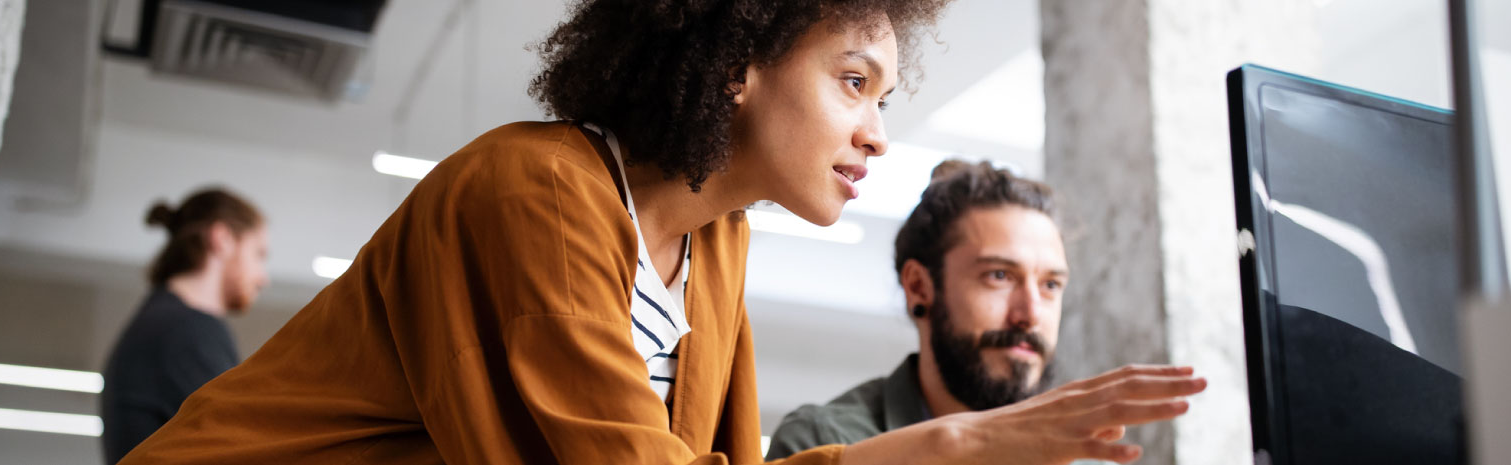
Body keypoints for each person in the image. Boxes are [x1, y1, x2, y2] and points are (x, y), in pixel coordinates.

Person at [119, 2, 1203, 464]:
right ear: (738, 58)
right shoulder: (533, 193)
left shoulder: (716, 243)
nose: (878, 131)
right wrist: (963, 442)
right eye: (853, 81)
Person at [766, 160, 1196, 462]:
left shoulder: (1083, 455)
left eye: (1050, 285)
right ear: (919, 286)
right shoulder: (825, 444)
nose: (1029, 314)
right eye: (999, 276)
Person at [100, 188, 270, 464]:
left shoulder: (162, 322)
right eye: (259, 254)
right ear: (222, 238)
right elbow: (242, 450)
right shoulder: (187, 330)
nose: (263, 278)